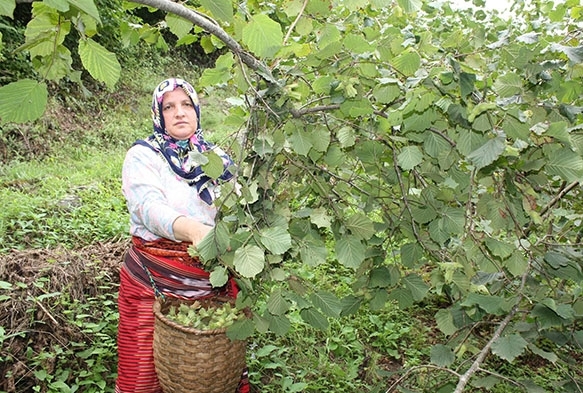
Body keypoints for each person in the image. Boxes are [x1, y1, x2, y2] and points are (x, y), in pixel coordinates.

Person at [116, 77, 249, 393]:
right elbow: (148, 207)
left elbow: (237, 202)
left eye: (186, 104)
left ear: (198, 110)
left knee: (210, 373)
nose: (179, 112)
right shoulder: (144, 156)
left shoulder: (215, 157)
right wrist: (192, 229)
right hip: (154, 280)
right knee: (144, 373)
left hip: (210, 279)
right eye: (169, 106)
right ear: (158, 114)